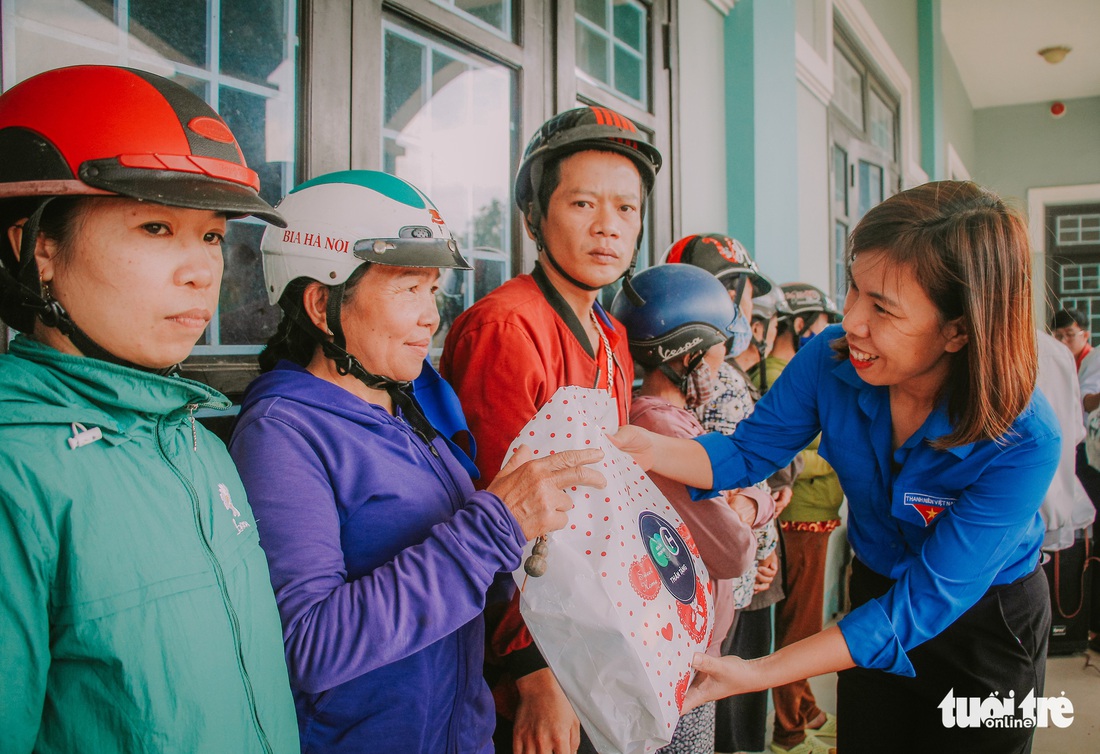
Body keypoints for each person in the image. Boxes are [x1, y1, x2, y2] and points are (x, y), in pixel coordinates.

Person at [611, 181, 1060, 753]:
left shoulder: (1022, 437)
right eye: (853, 289)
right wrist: (645, 450)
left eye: (882, 308)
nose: (851, 320)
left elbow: (925, 601)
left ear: (959, 329)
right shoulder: (830, 360)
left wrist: (758, 671)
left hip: (984, 622)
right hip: (875, 591)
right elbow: (747, 453)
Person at [228, 170, 607, 754]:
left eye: (432, 291)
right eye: (407, 288)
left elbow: (465, 575)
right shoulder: (283, 434)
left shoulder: (410, 405)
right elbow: (308, 645)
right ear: (322, 302)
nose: (431, 316)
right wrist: (493, 528)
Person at [0, 65, 299, 753]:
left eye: (213, 236)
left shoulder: (199, 443)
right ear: (36, 247)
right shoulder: (16, 472)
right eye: (157, 227)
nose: (202, 271)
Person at [440, 105, 662, 754]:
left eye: (627, 209)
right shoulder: (507, 327)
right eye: (583, 203)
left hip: (595, 618)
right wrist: (530, 669)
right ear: (534, 215)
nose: (608, 228)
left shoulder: (613, 336)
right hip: (534, 644)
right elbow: (495, 507)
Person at [610, 262, 775, 754]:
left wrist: (742, 500)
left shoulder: (663, 421)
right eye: (717, 348)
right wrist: (750, 504)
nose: (724, 362)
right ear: (686, 355)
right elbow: (732, 551)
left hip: (678, 647)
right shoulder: (665, 431)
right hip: (678, 658)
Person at [664, 234, 792, 753]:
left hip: (742, 575)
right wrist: (754, 534)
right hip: (723, 580)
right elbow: (720, 488)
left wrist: (763, 538)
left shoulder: (729, 373)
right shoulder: (707, 381)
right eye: (730, 289)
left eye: (742, 292)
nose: (741, 306)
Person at [761, 283, 845, 754]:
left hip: (814, 515)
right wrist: (837, 457)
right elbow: (784, 455)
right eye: (819, 321)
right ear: (798, 323)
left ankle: (806, 709)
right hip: (800, 516)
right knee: (799, 629)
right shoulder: (781, 374)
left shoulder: (793, 369)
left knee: (806, 623)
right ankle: (789, 730)